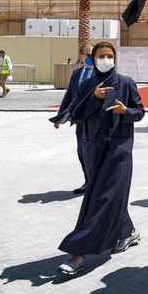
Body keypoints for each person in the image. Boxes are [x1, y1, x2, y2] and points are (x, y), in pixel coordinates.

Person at [57, 42, 145, 276]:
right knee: (107, 197)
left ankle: (78, 253)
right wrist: (94, 98)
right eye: (100, 56)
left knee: (100, 201)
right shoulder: (86, 84)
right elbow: (75, 114)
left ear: (115, 58)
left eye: (109, 56)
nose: (105, 59)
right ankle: (128, 232)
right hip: (93, 150)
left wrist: (124, 111)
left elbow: (140, 112)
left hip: (119, 153)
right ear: (92, 59)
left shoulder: (126, 83)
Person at [52, 43, 95, 194]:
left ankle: (95, 183)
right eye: (88, 55)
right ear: (81, 57)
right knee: (81, 151)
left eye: (93, 55)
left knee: (94, 152)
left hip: (96, 120)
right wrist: (59, 116)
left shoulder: (100, 73)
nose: (91, 58)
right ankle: (88, 181)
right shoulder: (76, 74)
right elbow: (69, 95)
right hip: (80, 120)